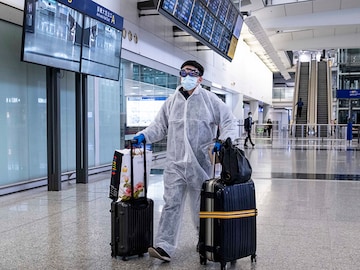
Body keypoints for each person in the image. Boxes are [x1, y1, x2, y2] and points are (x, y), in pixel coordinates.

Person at [133, 60, 237, 262]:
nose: (187, 76)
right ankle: (164, 246)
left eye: (192, 72)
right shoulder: (172, 102)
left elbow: (228, 121)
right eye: (184, 72)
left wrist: (222, 141)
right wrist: (143, 136)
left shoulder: (209, 100)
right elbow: (159, 127)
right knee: (171, 204)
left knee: (202, 206)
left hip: (201, 164)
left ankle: (204, 242)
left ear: (200, 78)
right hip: (175, 164)